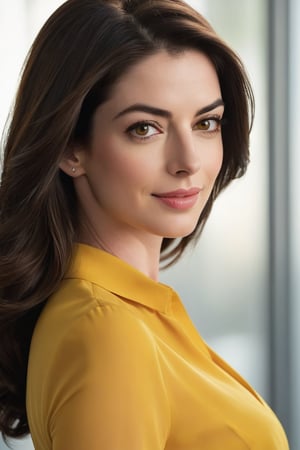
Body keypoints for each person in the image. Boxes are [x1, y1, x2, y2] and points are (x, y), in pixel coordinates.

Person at [0, 0, 289, 449]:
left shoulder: (128, 312)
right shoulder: (108, 331)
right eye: (145, 129)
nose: (188, 162)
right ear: (70, 149)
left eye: (206, 123)